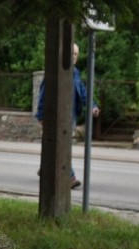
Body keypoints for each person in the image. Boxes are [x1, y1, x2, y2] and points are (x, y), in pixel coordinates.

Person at [35, 43, 100, 189]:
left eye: (76, 54)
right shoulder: (54, 71)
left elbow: (83, 92)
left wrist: (93, 106)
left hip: (70, 116)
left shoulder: (75, 72)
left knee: (57, 145)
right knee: (62, 146)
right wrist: (41, 115)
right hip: (55, 116)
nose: (73, 57)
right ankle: (70, 178)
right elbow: (43, 94)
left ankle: (45, 168)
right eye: (71, 53)